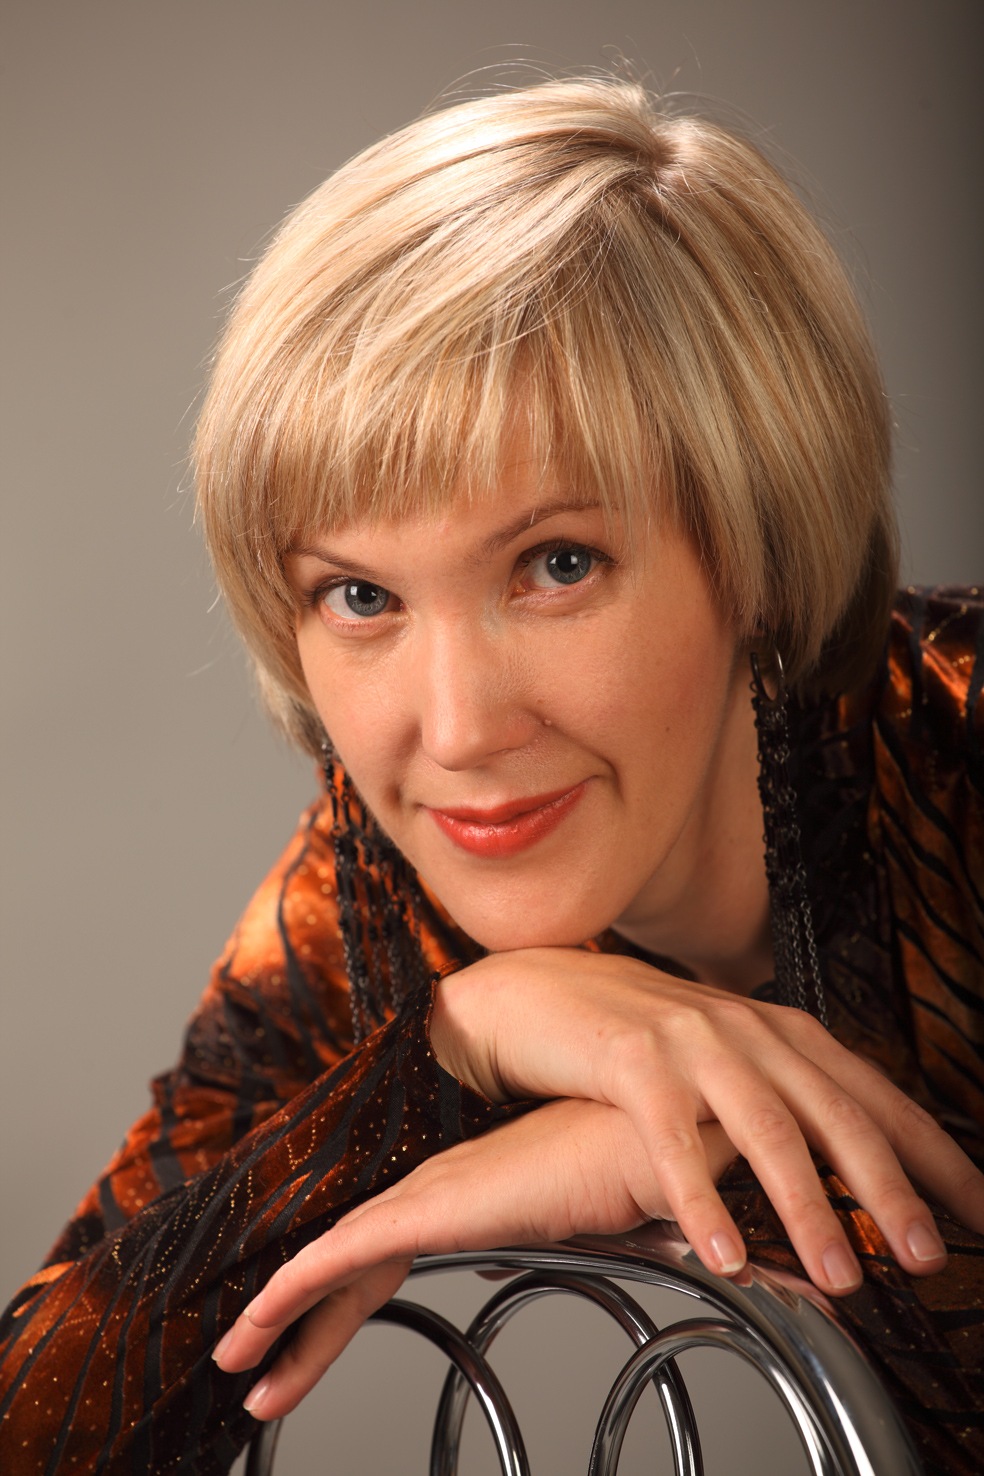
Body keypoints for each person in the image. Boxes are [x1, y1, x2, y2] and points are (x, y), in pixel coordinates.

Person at [1, 76, 981, 1475]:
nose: (457, 732)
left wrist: (724, 1175)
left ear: (758, 551)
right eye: (359, 596)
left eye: (556, 566)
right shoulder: (377, 899)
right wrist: (446, 1054)